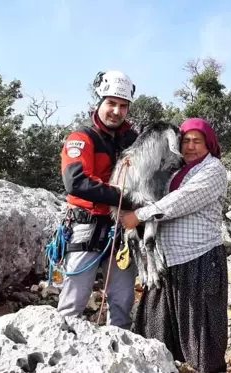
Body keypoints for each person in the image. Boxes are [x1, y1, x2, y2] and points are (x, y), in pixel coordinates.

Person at [121, 118, 229, 373]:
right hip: (166, 262)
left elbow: (182, 200)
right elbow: (150, 189)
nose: (190, 147)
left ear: (209, 144)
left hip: (199, 260)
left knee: (200, 334)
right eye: (185, 141)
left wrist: (140, 215)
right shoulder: (175, 171)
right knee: (154, 329)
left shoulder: (213, 170)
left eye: (197, 141)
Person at [56, 70, 138, 329]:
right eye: (111, 103)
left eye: (123, 106)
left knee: (122, 302)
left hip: (121, 231)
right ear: (100, 103)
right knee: (73, 303)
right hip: (87, 227)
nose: (116, 111)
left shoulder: (133, 142)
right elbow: (77, 182)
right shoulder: (82, 138)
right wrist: (129, 199)